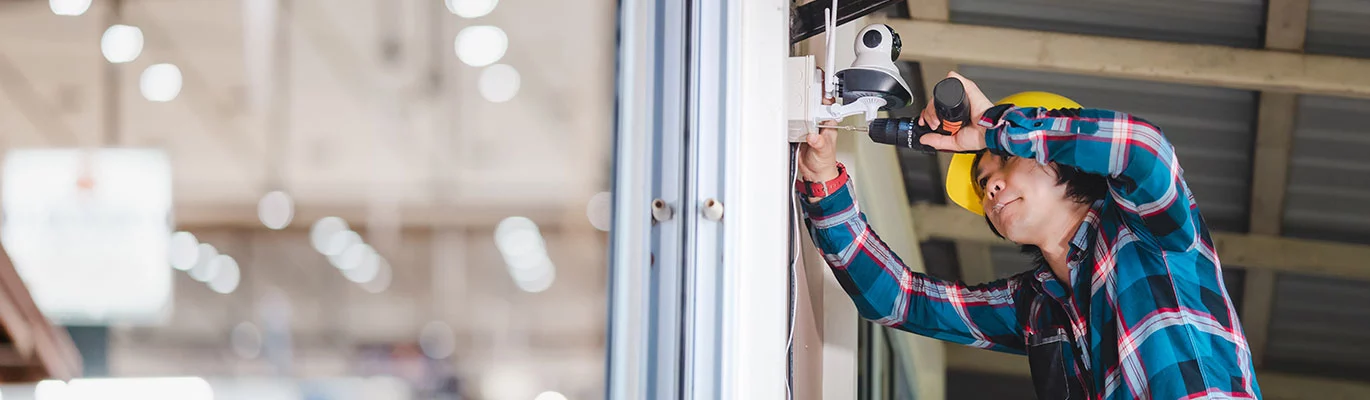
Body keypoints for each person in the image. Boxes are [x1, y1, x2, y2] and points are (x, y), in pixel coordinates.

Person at [796, 72, 1260, 399]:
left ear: (1062, 160)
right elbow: (900, 299)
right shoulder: (1035, 306)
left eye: (1003, 163)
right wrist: (823, 182)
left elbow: (1141, 148)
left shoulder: (1147, 232)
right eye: (982, 183)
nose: (990, 186)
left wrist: (999, 128)